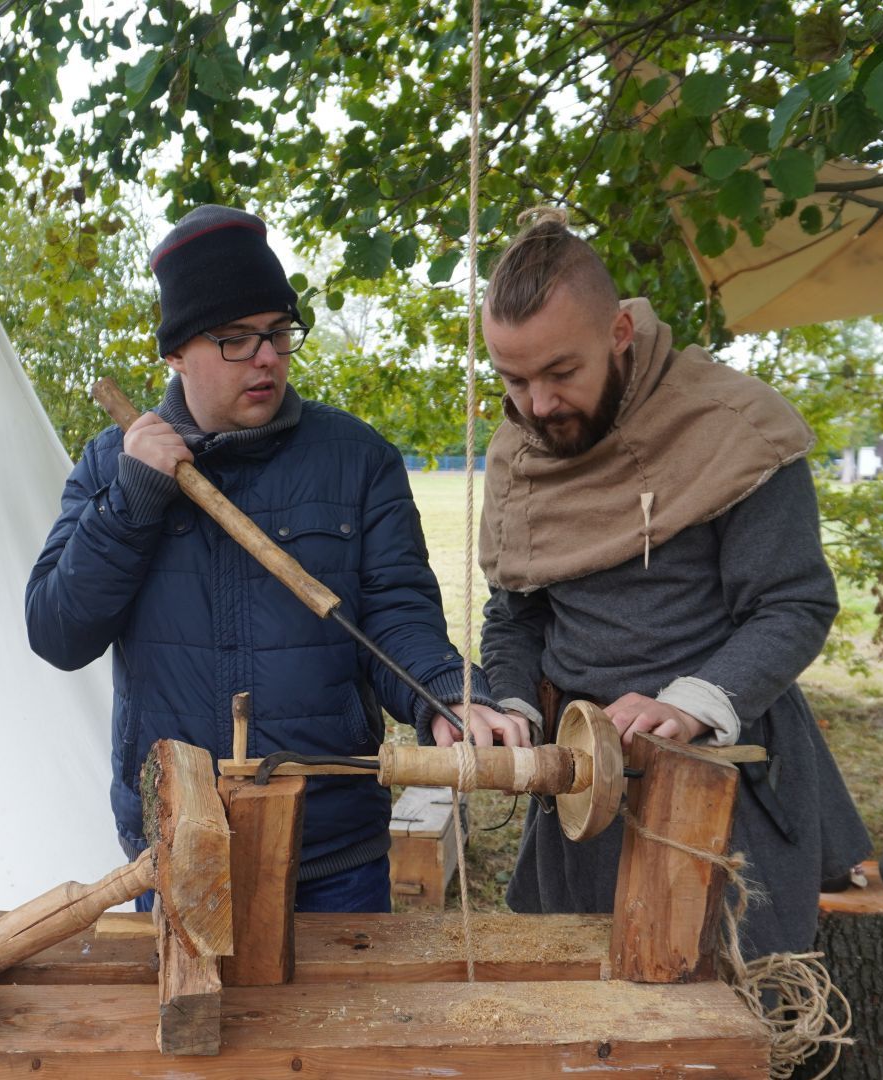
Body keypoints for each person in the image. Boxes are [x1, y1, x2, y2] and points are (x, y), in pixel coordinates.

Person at [26, 204, 524, 912]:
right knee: (193, 1027)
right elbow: (56, 633)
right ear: (174, 352)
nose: (266, 358)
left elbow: (398, 615)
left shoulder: (357, 460)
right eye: (235, 339)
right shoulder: (113, 466)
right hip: (180, 850)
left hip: (332, 856)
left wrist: (445, 691)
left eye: (278, 334)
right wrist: (132, 501)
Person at [475, 208, 870, 955]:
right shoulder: (517, 451)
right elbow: (515, 616)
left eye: (562, 372)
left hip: (722, 771)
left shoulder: (733, 427)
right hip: (581, 780)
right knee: (583, 999)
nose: (540, 405)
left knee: (722, 1005)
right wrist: (515, 703)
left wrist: (689, 703)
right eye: (514, 378)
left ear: (619, 333)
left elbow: (793, 604)